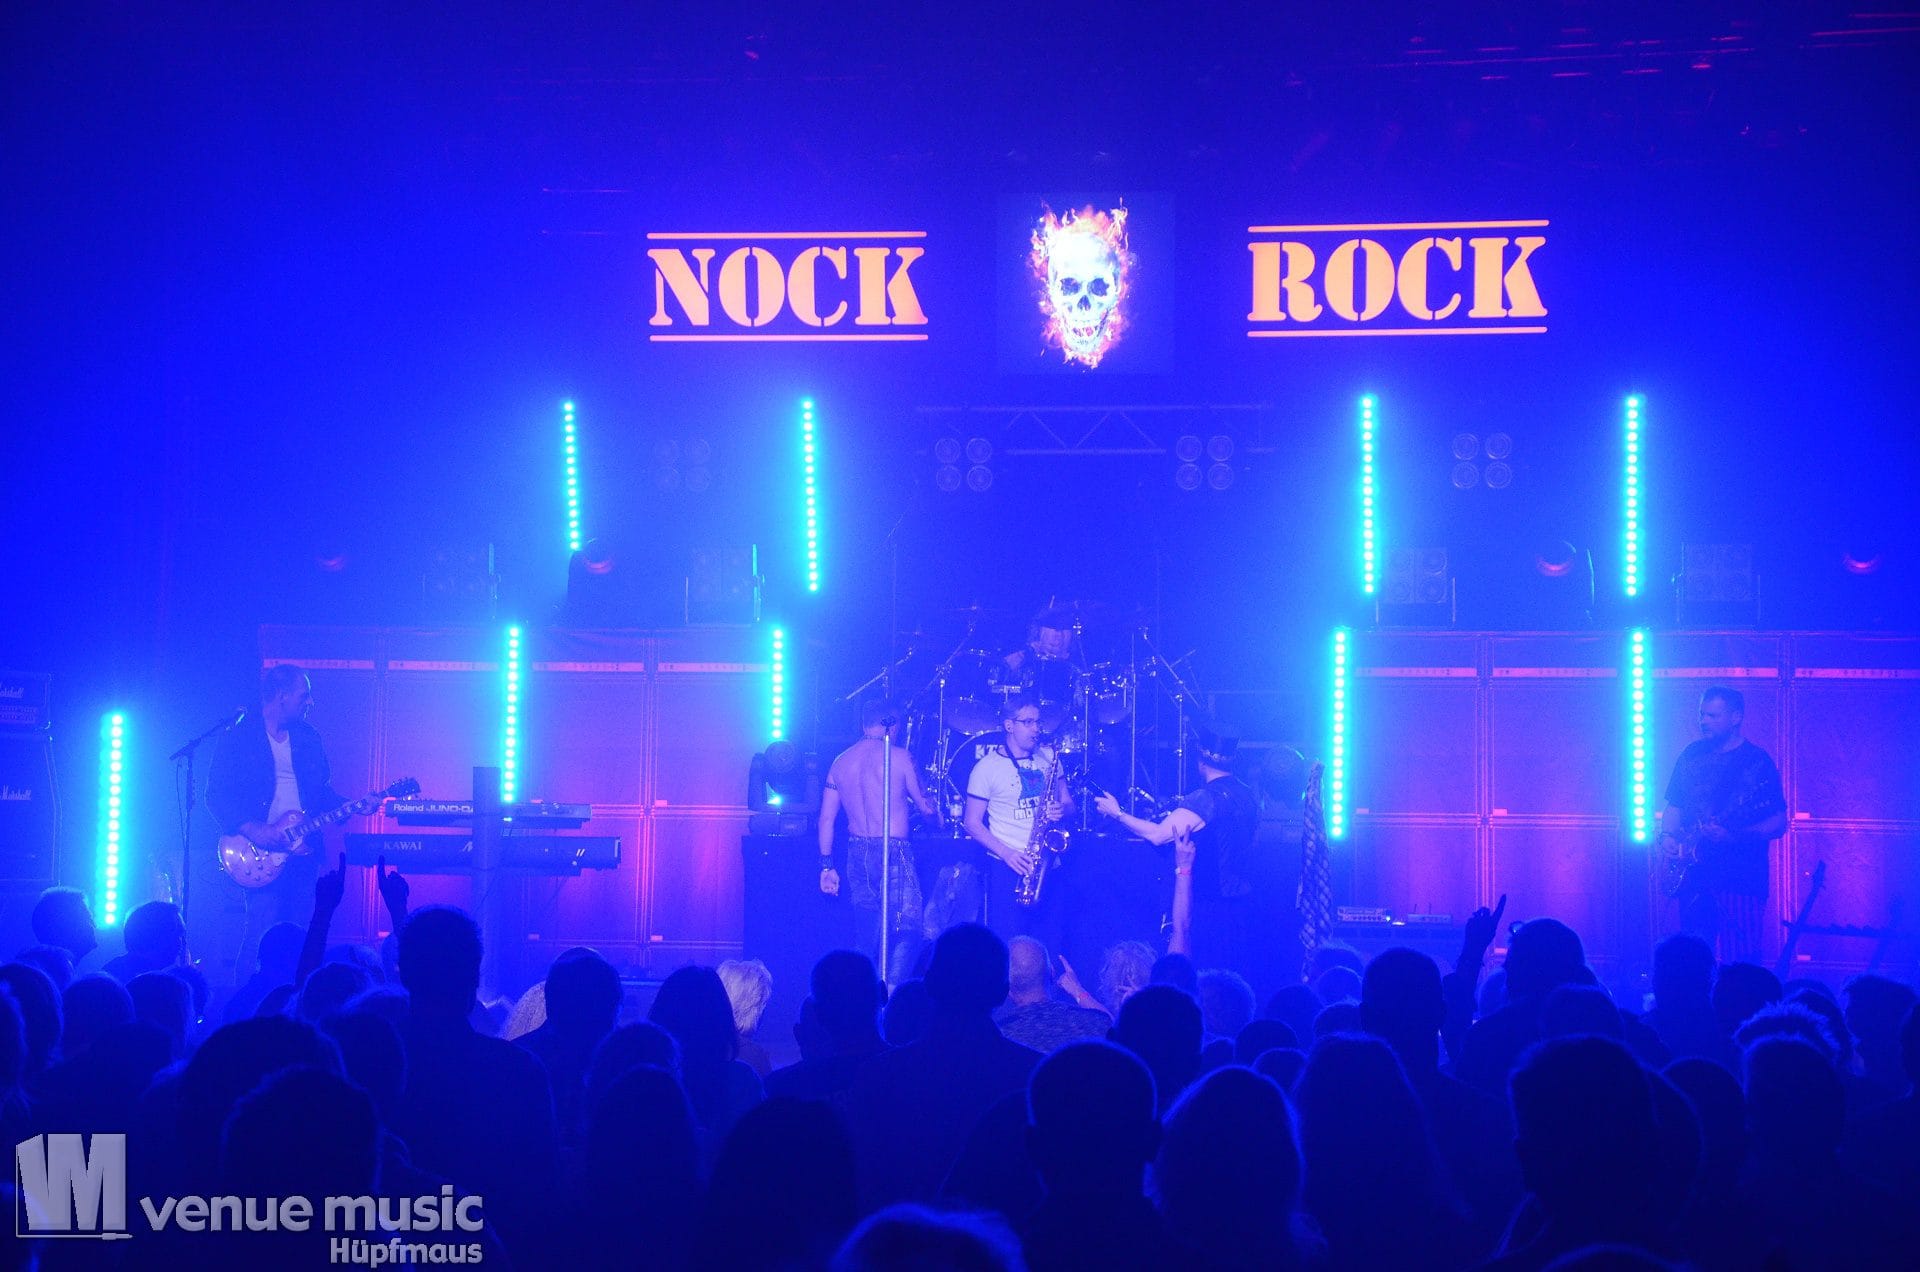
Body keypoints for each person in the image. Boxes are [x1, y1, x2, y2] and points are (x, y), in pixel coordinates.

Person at [206, 664, 380, 931]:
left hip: (303, 850)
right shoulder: (239, 737)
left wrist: (352, 805)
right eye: (304, 695)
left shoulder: (309, 738)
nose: (310, 702)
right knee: (260, 932)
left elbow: (321, 793)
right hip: (258, 851)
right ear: (282, 696)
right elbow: (216, 795)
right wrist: (254, 829)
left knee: (299, 931)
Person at [1094, 726, 1260, 970]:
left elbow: (1158, 835)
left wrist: (1117, 814)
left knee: (1203, 973)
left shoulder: (1205, 798)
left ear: (1201, 763)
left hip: (1209, 905)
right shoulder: (1249, 795)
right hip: (1243, 903)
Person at [1658, 686, 1788, 962]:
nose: (1704, 721)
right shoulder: (1691, 755)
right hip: (1695, 876)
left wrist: (1734, 836)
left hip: (1740, 878)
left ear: (1735, 717)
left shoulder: (1756, 762)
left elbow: (1778, 822)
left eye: (1713, 716)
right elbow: (1674, 805)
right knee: (1693, 958)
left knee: (1739, 959)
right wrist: (1667, 835)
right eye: (1702, 715)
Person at [819, 699, 939, 984]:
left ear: (864, 725)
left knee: (868, 932)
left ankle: (862, 994)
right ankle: (892, 993)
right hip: (894, 851)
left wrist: (826, 866)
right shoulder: (899, 756)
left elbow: (826, 819)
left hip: (857, 850)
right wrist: (937, 813)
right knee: (908, 929)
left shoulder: (840, 762)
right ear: (893, 727)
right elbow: (926, 808)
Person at [963, 695, 1076, 946]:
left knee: (1050, 945)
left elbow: (1070, 805)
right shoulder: (986, 768)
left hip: (1048, 866)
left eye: (1038, 722)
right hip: (1009, 866)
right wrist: (1007, 853)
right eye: (1028, 722)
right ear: (1009, 725)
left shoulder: (1049, 758)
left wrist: (1062, 809)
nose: (1036, 729)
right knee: (1009, 946)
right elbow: (971, 822)